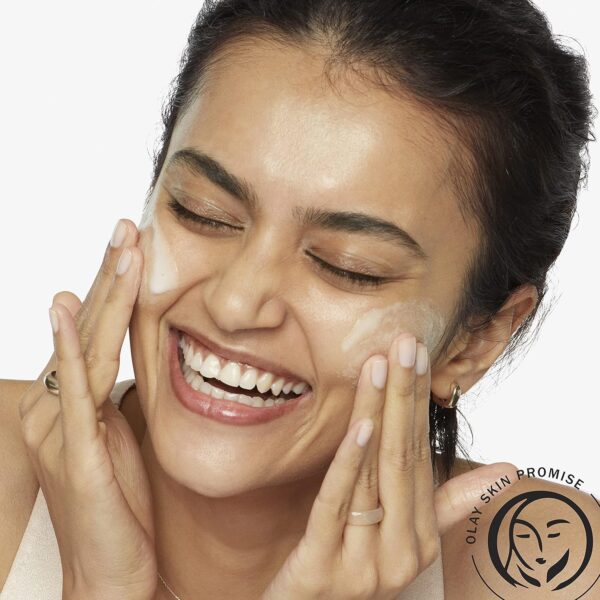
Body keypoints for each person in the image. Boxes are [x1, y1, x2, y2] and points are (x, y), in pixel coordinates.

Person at [0, 0, 596, 598]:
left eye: (347, 266)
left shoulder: (554, 569)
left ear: (475, 341)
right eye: (202, 212)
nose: (235, 303)